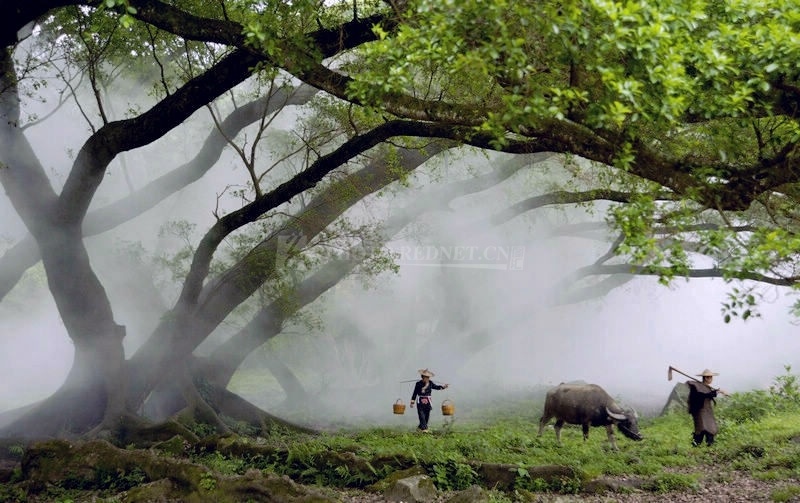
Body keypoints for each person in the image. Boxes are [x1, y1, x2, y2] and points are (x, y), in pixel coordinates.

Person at [686, 369, 724, 446]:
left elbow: (708, 394)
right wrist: (716, 392)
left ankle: (710, 444)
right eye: (710, 377)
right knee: (701, 428)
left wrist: (716, 392)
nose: (711, 379)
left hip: (707, 411)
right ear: (706, 378)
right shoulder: (697, 387)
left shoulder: (706, 387)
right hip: (700, 411)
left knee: (710, 427)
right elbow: (703, 395)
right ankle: (696, 444)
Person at [410, 368, 449, 432]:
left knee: (427, 415)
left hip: (428, 401)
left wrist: (443, 387)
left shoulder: (430, 383)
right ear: (422, 377)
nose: (427, 378)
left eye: (428, 377)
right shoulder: (418, 384)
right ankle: (425, 429)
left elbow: (437, 387)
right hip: (420, 401)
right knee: (421, 415)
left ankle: (420, 427)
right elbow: (415, 393)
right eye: (426, 377)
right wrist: (412, 402)